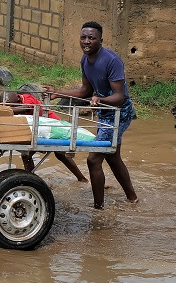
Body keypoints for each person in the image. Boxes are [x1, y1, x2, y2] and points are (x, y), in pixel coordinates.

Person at [45, 21, 138, 209]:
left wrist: (100, 100)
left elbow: (120, 96)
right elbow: (84, 91)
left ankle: (98, 208)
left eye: (91, 38)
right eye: (83, 37)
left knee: (94, 159)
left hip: (119, 113)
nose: (86, 42)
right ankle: (132, 198)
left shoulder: (112, 61)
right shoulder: (85, 60)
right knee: (112, 156)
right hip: (104, 111)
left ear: (100, 40)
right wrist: (58, 93)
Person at [1, 86, 88, 182]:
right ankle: (31, 179)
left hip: (52, 126)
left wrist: (6, 109)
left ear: (17, 98)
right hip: (38, 129)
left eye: (10, 103)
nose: (9, 106)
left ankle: (82, 178)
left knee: (60, 154)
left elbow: (26, 108)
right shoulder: (14, 105)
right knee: (26, 155)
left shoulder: (26, 98)